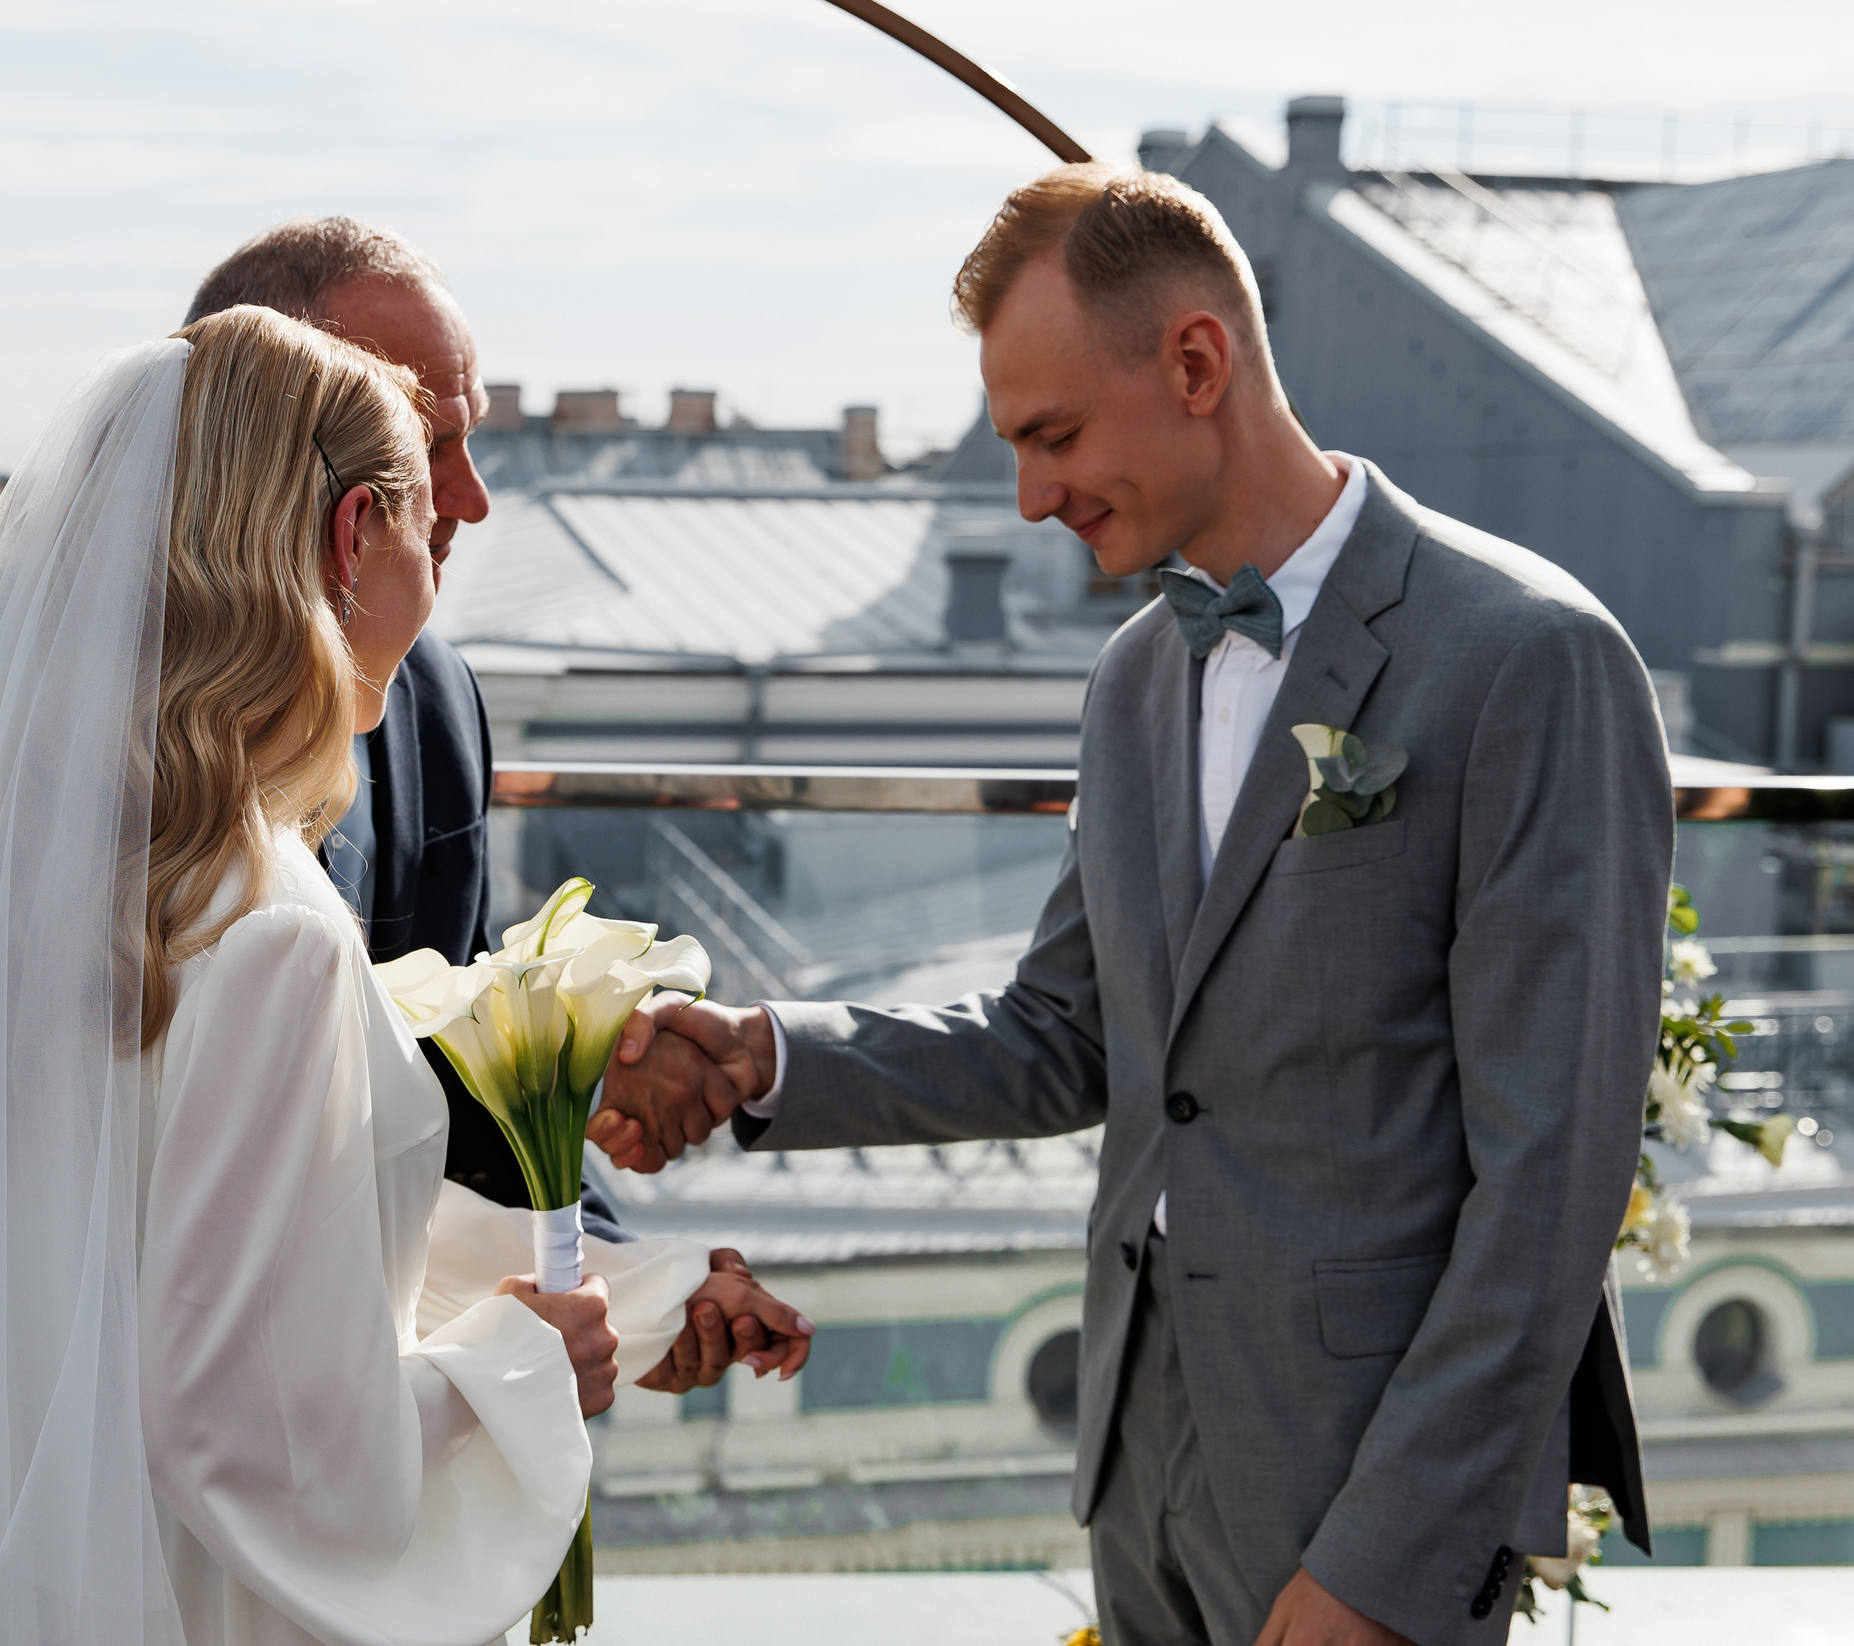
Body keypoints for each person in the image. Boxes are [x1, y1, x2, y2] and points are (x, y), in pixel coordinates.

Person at [592, 166, 1669, 1646]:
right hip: (1134, 1455)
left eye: (1055, 436)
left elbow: (1550, 1182)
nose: (1031, 494)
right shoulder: (1133, 675)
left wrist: (1389, 1556)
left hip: (1362, 1481)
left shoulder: (1529, 656)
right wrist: (762, 1055)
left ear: (1196, 363)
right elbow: (1064, 1033)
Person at [0, 309, 812, 1646]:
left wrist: (626, 1286)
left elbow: (189, 1260)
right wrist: (524, 1367)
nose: (443, 555)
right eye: (417, 519)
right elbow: (234, 1422)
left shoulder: (86, 885)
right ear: (350, 538)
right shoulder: (272, 924)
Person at [181, 217, 791, 1394]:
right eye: (427, 447)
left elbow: (438, 1070)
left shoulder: (436, 696)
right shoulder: (47, 685)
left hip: (326, 1392)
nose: (470, 496)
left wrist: (620, 1281)